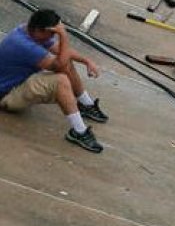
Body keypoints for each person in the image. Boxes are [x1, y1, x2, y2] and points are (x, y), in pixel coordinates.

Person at [0, 9, 108, 153]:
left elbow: (61, 52)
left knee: (65, 61)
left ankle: (86, 104)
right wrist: (64, 36)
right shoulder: (23, 44)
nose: (52, 37)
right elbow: (59, 65)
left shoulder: (30, 31)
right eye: (52, 34)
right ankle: (79, 132)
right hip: (7, 97)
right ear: (39, 30)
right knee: (61, 80)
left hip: (17, 85)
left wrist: (86, 60)